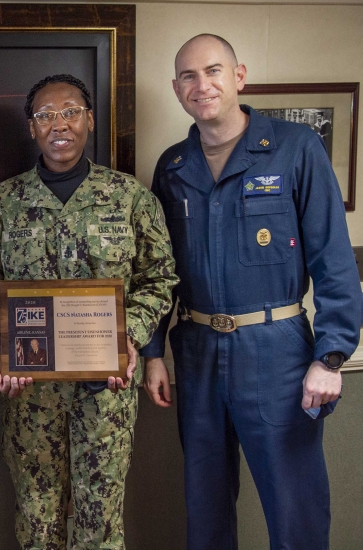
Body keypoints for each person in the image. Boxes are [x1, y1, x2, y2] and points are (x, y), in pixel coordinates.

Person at [141, 34, 362, 550]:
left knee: (295, 506)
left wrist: (330, 358)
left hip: (276, 351)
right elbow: (157, 271)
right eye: (190, 77)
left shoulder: (294, 148)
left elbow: (334, 260)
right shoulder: (173, 168)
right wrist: (154, 352)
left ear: (238, 77)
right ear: (177, 89)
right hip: (195, 350)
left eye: (214, 71)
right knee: (206, 503)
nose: (203, 85)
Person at [0, 74, 177, 549]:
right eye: (46, 115)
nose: (60, 124)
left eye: (71, 112)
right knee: (37, 521)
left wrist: (131, 336)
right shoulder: (1, 205)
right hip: (30, 395)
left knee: (100, 523)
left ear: (90, 120)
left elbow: (159, 277)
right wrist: (2, 347)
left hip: (106, 392)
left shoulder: (130, 198)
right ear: (31, 128)